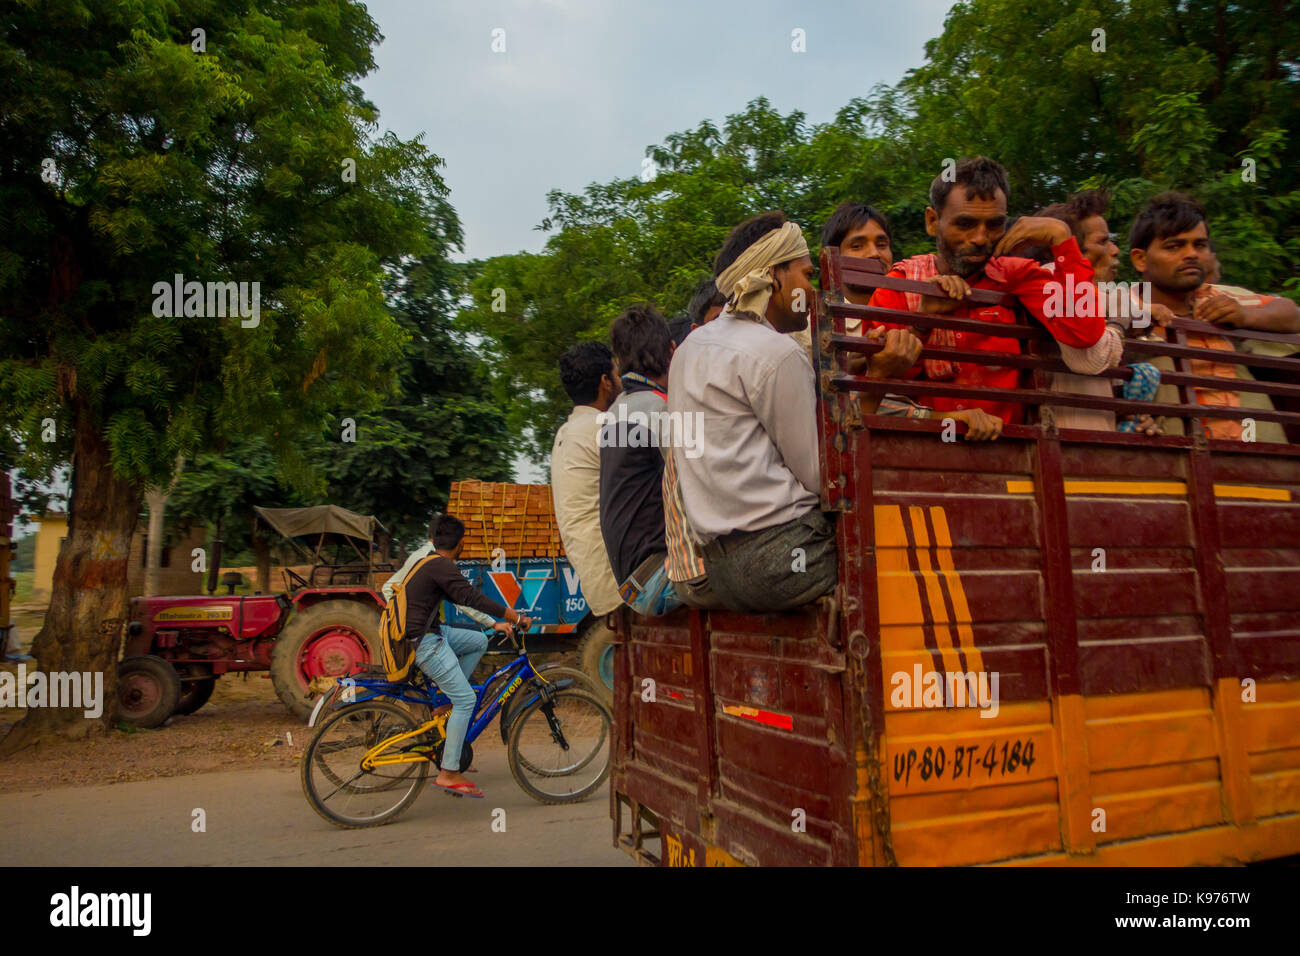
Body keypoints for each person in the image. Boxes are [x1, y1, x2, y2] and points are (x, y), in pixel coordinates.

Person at [867, 157, 1120, 426]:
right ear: (932, 221)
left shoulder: (1014, 275)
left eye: (994, 225)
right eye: (965, 224)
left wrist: (1061, 238)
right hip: (916, 453)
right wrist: (922, 322)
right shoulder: (901, 285)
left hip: (1008, 456)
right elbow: (876, 393)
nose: (979, 238)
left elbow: (1084, 334)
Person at [669, 211, 837, 613]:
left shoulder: (690, 349)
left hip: (722, 571)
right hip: (784, 557)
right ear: (773, 275)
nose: (811, 291)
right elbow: (819, 475)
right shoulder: (777, 353)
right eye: (806, 275)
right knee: (892, 551)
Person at [817, 200, 1004, 438]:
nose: (874, 253)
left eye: (882, 244)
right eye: (857, 245)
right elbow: (846, 411)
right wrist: (946, 419)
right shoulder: (820, 327)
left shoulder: (910, 304)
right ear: (832, 259)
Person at [1128, 192, 1300, 442]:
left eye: (1199, 245)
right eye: (1174, 246)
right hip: (1178, 460)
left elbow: (1291, 313)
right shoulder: (1120, 305)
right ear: (1140, 259)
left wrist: (1244, 317)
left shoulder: (1223, 296)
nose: (1191, 254)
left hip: (1265, 461)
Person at [404, 513, 530, 798]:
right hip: (425, 642)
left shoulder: (430, 564)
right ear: (460, 543)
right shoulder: (441, 566)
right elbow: (471, 597)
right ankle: (449, 771)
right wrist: (513, 615)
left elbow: (462, 599)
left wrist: (493, 624)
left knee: (476, 641)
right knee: (467, 700)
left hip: (429, 633)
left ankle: (446, 700)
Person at [598, 304, 682, 616]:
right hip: (659, 579)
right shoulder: (659, 410)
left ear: (618, 364)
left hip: (632, 583)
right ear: (673, 352)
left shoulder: (616, 410)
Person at [551, 342, 624, 620]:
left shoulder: (566, 432)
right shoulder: (606, 428)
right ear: (605, 382)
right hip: (619, 578)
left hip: (595, 579)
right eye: (617, 374)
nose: (620, 380)